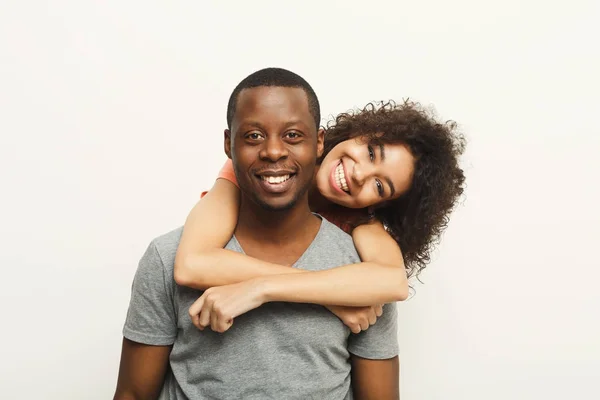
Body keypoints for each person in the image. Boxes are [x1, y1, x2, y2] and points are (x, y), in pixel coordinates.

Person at [114, 67, 400, 399]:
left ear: (319, 142)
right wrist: (325, 297)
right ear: (227, 143)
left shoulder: (360, 274)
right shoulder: (169, 255)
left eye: (293, 135)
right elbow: (132, 393)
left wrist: (262, 289)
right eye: (253, 136)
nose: (274, 151)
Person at [175, 96, 466, 334]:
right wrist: (331, 297)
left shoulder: (358, 219)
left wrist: (262, 289)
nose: (359, 174)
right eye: (371, 153)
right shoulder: (265, 169)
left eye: (379, 186)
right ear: (357, 133)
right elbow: (192, 263)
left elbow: (393, 281)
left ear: (380, 205)